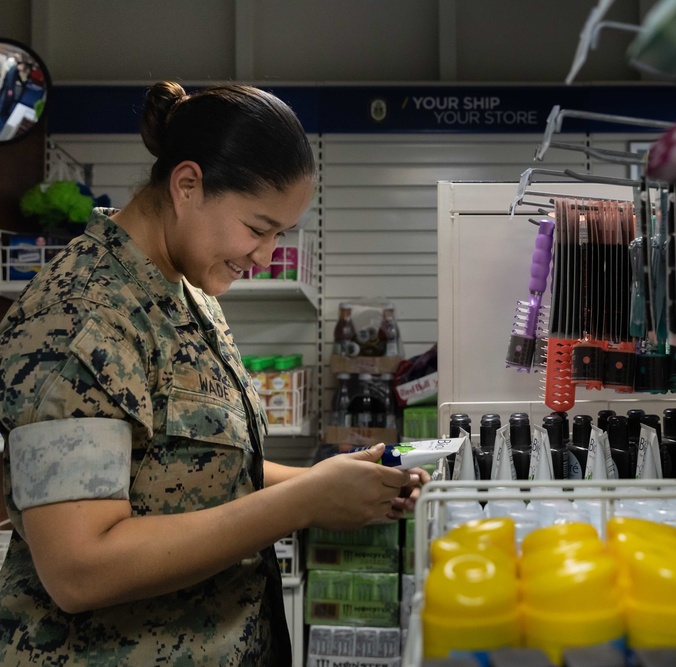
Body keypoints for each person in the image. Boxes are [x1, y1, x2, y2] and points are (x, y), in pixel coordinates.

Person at [0, 81, 428, 665]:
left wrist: (328, 482)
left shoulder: (187, 292)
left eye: (280, 234)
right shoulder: (80, 315)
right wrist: (301, 504)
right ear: (187, 186)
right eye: (257, 228)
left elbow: (207, 466)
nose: (267, 255)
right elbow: (81, 568)